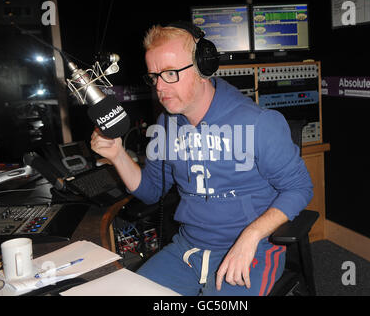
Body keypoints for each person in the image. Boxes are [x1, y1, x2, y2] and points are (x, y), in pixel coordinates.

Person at [90, 22, 313, 296]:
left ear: (203, 68)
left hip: (251, 252)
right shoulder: (166, 125)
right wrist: (117, 154)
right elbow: (150, 191)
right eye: (154, 76)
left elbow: (300, 188)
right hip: (187, 250)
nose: (160, 86)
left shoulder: (258, 123)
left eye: (171, 73)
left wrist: (251, 235)